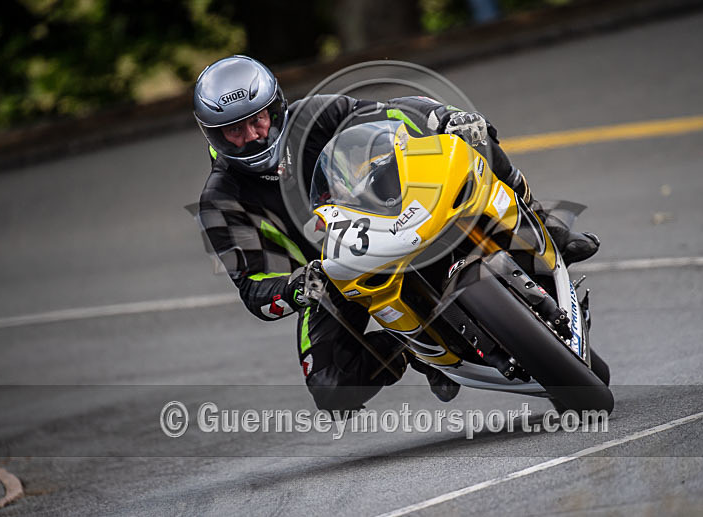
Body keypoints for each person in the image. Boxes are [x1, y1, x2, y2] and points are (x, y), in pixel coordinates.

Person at [193, 55, 599, 412]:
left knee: (473, 137)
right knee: (331, 387)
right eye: (234, 130)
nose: (252, 136)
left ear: (276, 108)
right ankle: (408, 350)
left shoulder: (314, 114)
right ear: (213, 135)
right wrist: (298, 287)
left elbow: (395, 112)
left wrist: (445, 117)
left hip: (390, 203)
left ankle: (543, 223)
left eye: (257, 120)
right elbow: (253, 285)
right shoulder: (221, 200)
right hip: (334, 271)